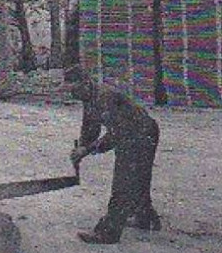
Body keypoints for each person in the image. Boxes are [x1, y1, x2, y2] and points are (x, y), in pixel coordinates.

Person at [67, 68, 161, 243]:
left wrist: (87, 150)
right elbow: (90, 127)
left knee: (124, 181)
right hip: (131, 134)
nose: (72, 95)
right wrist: (81, 147)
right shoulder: (88, 97)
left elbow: (116, 134)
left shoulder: (105, 97)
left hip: (141, 133)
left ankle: (107, 233)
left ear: (86, 83)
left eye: (74, 90)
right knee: (138, 178)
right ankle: (146, 219)